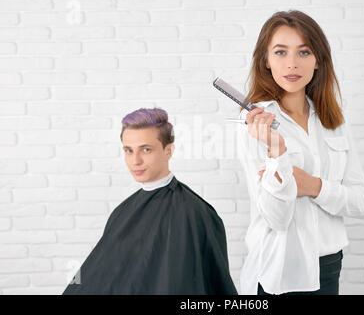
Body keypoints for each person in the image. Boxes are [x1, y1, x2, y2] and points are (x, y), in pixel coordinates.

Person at [236, 10, 364, 295]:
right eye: (281, 52)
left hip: (329, 265)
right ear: (266, 61)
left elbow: (361, 202)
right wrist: (277, 152)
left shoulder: (333, 120)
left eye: (304, 52)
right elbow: (276, 217)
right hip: (278, 268)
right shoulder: (256, 123)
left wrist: (313, 186)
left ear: (318, 60)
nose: (292, 64)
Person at [63, 107, 237, 295]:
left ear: (168, 150)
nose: (135, 160)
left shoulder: (193, 212)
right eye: (129, 151)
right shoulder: (122, 212)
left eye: (146, 149)